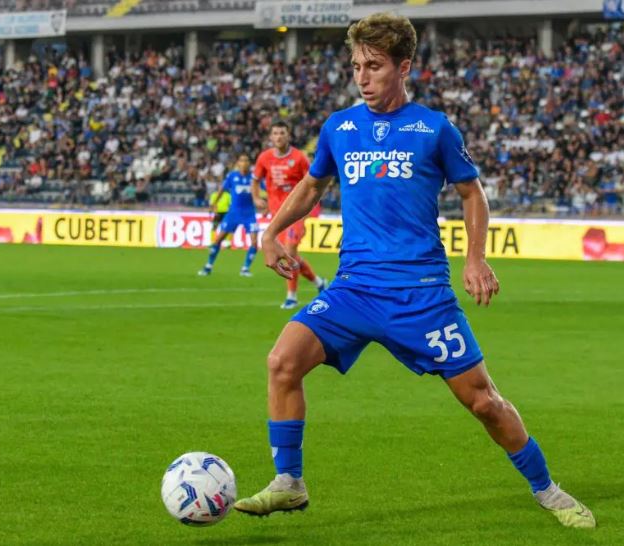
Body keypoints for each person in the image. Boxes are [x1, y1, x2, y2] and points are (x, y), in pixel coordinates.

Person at [233, 13, 595, 529]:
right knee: (282, 362)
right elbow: (312, 187)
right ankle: (289, 482)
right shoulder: (339, 127)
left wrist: (475, 257)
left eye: (374, 66)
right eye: (356, 66)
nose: (362, 77)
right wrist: (271, 233)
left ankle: (548, 490)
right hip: (354, 289)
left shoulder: (434, 129)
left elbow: (472, 192)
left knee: (483, 402)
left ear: (403, 67)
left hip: (419, 295)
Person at [252, 120, 328, 308]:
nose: (278, 136)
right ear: (271, 137)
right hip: (277, 216)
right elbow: (255, 180)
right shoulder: (264, 158)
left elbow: (313, 184)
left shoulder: (299, 158)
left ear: (288, 135)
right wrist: (256, 198)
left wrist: (308, 213)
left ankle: (291, 296)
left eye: (282, 133)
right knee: (291, 255)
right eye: (275, 133)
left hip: (296, 213)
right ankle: (318, 282)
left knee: (289, 251)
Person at [198, 155, 260, 277]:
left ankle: (245, 269)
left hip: (249, 213)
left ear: (249, 163)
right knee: (218, 239)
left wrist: (266, 204)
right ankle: (208, 266)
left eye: (246, 160)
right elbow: (222, 189)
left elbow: (265, 189)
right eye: (241, 160)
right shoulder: (232, 176)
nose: (244, 163)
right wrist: (214, 203)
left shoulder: (254, 177)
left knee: (254, 242)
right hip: (233, 213)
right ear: (238, 163)